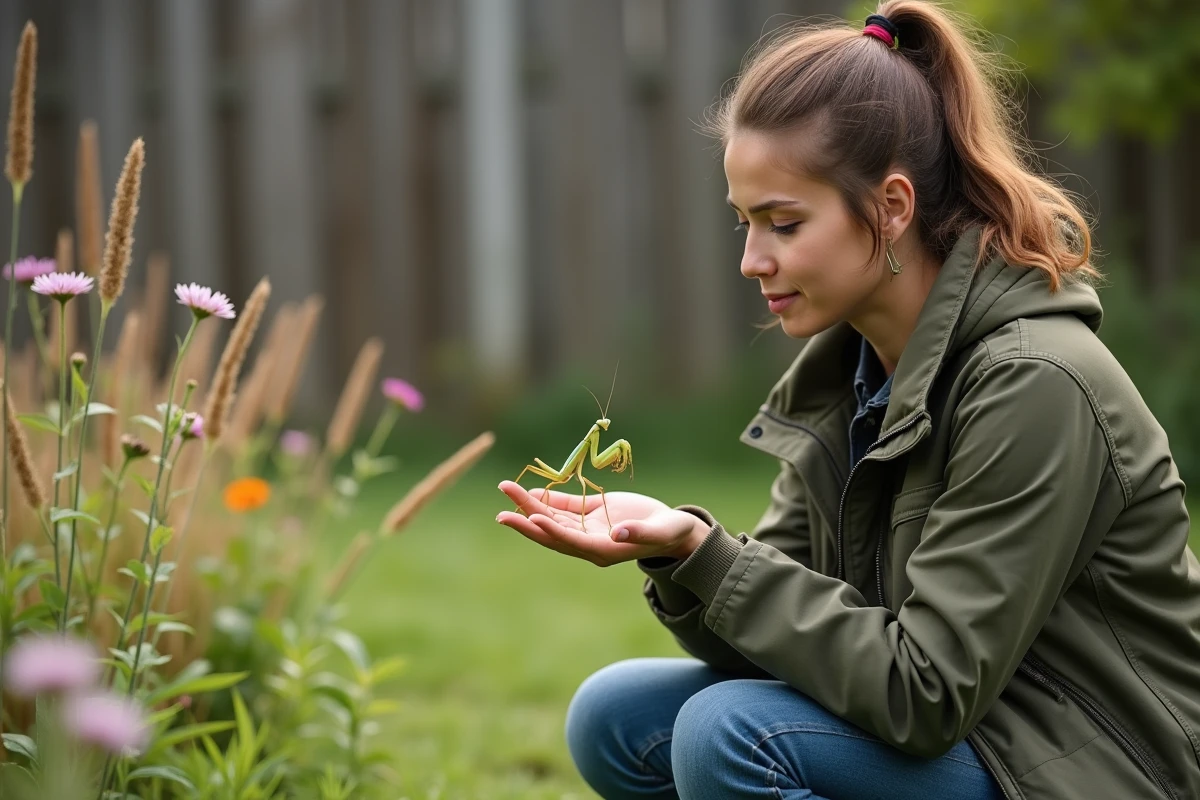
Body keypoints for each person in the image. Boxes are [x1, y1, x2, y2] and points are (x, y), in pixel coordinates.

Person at [496, 2, 1200, 798]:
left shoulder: (1037, 383)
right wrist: (679, 551)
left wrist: (708, 555)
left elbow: (923, 694)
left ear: (893, 208)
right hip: (983, 728)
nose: (753, 261)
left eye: (784, 224)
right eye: (743, 225)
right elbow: (775, 639)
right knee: (615, 715)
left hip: (1094, 764)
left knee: (727, 736)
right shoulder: (854, 372)